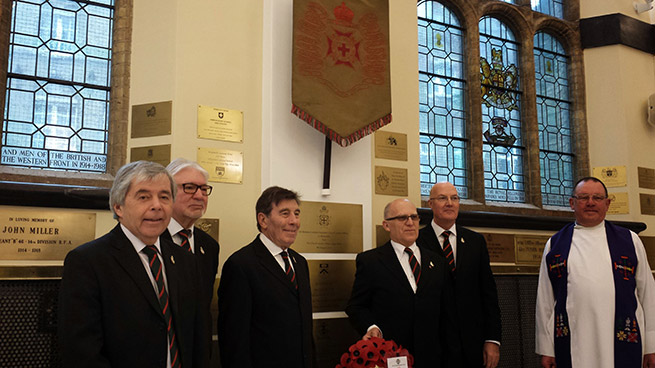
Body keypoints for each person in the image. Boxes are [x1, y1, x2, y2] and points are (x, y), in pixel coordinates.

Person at [58, 160, 208, 368]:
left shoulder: (185, 260)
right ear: (118, 206)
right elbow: (82, 352)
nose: (157, 205)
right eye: (144, 197)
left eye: (164, 197)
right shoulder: (88, 262)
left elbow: (198, 337)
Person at [535, 177, 655, 368]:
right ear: (572, 203)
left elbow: (648, 295)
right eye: (583, 197)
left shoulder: (630, 241)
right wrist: (546, 349)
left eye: (597, 198)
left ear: (607, 204)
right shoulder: (555, 245)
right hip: (575, 342)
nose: (590, 203)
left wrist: (651, 345)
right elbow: (545, 301)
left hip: (623, 338)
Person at [346, 198, 460, 368]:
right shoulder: (371, 261)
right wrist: (372, 327)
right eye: (402, 218)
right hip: (392, 356)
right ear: (386, 225)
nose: (410, 223)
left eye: (414, 217)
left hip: (432, 357)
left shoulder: (437, 262)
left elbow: (448, 313)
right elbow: (356, 306)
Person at [217, 186, 314, 368]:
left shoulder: (300, 263)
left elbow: (305, 331)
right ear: (263, 219)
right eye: (285, 213)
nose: (294, 221)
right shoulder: (241, 265)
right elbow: (234, 340)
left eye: (297, 213)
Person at [417, 182, 502, 368]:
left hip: (472, 345)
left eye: (454, 198)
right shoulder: (417, 241)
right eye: (442, 198)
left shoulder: (475, 242)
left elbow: (488, 295)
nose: (449, 203)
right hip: (433, 348)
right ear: (430, 204)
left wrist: (492, 340)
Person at [163, 159, 220, 353]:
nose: (199, 195)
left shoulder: (209, 246)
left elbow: (202, 309)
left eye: (204, 189)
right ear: (166, 192)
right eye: (189, 188)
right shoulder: (150, 240)